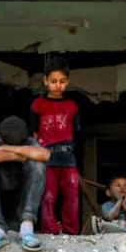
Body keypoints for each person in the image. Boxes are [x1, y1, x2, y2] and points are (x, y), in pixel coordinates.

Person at [0, 115, 49, 252]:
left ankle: (27, 228)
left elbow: (44, 154)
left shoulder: (29, 141)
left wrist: (9, 149)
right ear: (0, 140)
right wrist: (18, 156)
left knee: (38, 164)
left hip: (22, 210)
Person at [30, 57, 82, 235]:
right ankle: (49, 231)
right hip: (46, 156)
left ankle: (71, 232)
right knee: (47, 196)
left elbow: (76, 133)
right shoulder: (38, 104)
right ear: (45, 80)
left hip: (68, 157)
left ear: (68, 81)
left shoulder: (72, 106)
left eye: (62, 81)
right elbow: (34, 133)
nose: (58, 85)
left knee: (72, 196)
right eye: (53, 81)